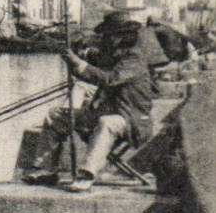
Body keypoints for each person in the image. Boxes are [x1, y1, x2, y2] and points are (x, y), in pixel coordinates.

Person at [23, 10, 156, 191]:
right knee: (56, 115)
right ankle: (46, 170)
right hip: (106, 114)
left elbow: (109, 78)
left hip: (133, 121)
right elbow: (95, 57)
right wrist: (76, 53)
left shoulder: (134, 58)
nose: (105, 40)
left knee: (106, 123)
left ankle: (87, 174)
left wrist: (79, 64)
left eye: (109, 36)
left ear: (123, 37)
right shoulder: (112, 55)